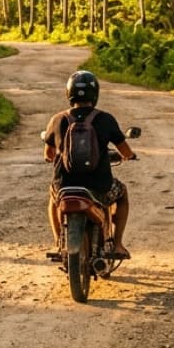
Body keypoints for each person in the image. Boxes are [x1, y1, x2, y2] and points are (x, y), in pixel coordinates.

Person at [43, 69, 136, 258]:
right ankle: (117, 245)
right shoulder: (105, 119)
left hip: (64, 185)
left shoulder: (57, 119)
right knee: (122, 193)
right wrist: (130, 155)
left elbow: (49, 154)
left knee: (53, 198)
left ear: (69, 93)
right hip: (99, 186)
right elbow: (125, 151)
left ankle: (58, 243)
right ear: (95, 94)